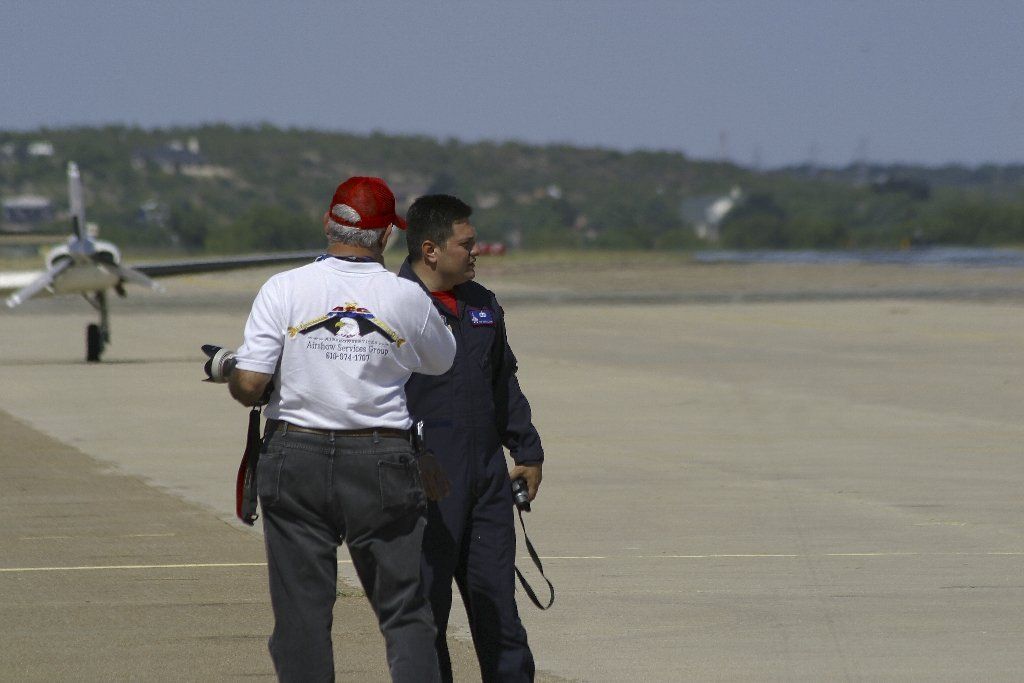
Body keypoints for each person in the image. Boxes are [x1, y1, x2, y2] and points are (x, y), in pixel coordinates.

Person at [227, 177, 456, 682]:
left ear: (327, 224)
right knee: (404, 613)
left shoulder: (283, 288)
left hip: (296, 457)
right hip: (380, 460)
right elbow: (441, 361)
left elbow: (251, 384)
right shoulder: (406, 296)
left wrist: (231, 370)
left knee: (301, 617)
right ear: (386, 236)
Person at [399, 194, 545, 682]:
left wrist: (527, 450)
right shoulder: (392, 306)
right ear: (431, 250)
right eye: (466, 244)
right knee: (426, 614)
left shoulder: (482, 304)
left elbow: (503, 382)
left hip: (485, 480)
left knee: (499, 612)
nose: (476, 251)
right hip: (423, 479)